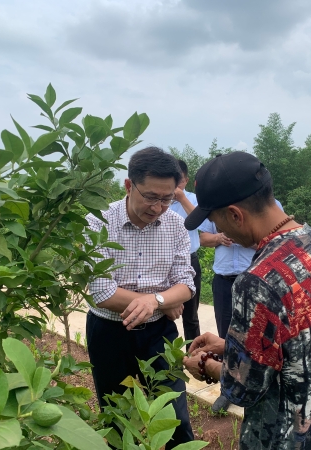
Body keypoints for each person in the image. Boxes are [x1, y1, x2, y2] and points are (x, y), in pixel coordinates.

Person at [183, 152, 311, 450]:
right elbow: (308, 341)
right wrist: (231, 346)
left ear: (235, 215)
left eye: (216, 221)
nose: (221, 231)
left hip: (286, 437)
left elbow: (243, 387)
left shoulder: (258, 280)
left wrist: (203, 364)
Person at [85, 147, 196, 448]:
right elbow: (103, 291)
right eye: (150, 197)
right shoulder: (98, 222)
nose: (158, 207)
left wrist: (155, 302)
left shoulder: (176, 226)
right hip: (109, 332)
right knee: (117, 417)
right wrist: (163, 300)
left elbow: (186, 284)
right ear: (128, 186)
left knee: (174, 417)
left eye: (167, 198)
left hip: (159, 334)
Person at [199, 197, 283, 412]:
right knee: (226, 333)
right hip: (223, 280)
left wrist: (243, 238)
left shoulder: (268, 205)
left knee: (258, 337)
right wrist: (219, 237)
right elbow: (202, 238)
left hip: (255, 281)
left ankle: (256, 387)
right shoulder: (220, 207)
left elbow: (274, 241)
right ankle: (228, 388)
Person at [169, 159, 202, 348]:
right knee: (164, 310)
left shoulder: (193, 199)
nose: (175, 186)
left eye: (179, 180)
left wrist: (182, 198)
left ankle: (194, 353)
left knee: (191, 315)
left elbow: (200, 222)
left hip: (189, 260)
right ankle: (167, 354)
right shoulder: (161, 200)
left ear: (186, 180)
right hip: (164, 262)